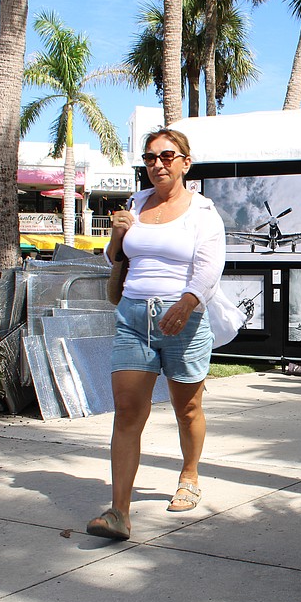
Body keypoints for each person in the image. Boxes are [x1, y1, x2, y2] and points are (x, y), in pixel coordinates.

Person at [86, 128, 225, 541]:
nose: (157, 164)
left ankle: (189, 474)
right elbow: (116, 258)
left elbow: (209, 267)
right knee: (128, 412)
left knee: (187, 409)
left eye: (167, 156)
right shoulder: (135, 205)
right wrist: (115, 235)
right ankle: (119, 513)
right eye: (150, 158)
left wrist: (185, 305)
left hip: (184, 319)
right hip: (134, 318)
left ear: (185, 162)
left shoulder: (203, 213)